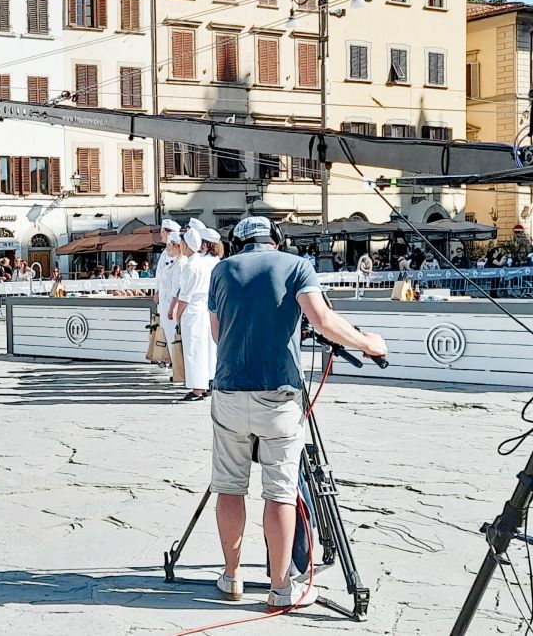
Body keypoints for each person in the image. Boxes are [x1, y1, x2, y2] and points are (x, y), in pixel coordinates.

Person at [206, 216, 387, 611]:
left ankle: (232, 577)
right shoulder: (297, 265)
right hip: (278, 395)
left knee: (230, 488)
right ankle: (281, 588)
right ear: (276, 239)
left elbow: (218, 334)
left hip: (230, 390)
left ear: (238, 242)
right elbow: (322, 321)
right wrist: (368, 344)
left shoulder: (221, 271)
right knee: (281, 492)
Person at [171, 223, 217, 402]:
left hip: (192, 310)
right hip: (202, 309)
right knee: (202, 349)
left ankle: (197, 388)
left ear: (186, 245)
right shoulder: (202, 263)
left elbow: (185, 295)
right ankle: (202, 384)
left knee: (193, 350)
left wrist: (178, 314)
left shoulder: (191, 266)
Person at [155, 230, 187, 367]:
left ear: (177, 246)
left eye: (170, 246)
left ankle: (177, 365)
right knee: (169, 333)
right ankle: (175, 364)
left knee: (173, 334)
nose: (167, 249)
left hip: (170, 302)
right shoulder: (171, 261)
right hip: (165, 300)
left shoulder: (180, 263)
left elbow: (176, 289)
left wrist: (172, 308)